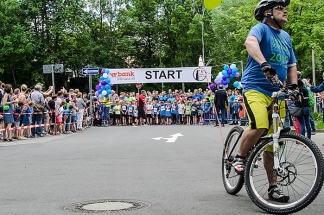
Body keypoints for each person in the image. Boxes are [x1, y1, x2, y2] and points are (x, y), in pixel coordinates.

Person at [234, 0, 298, 203]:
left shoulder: (286, 37)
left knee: (273, 142)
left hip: (277, 92)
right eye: (280, 8)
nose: (285, 10)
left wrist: (294, 87)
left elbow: (291, 65)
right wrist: (264, 63)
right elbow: (250, 43)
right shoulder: (261, 28)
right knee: (260, 123)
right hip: (255, 88)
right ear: (268, 12)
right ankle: (240, 157)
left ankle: (273, 187)